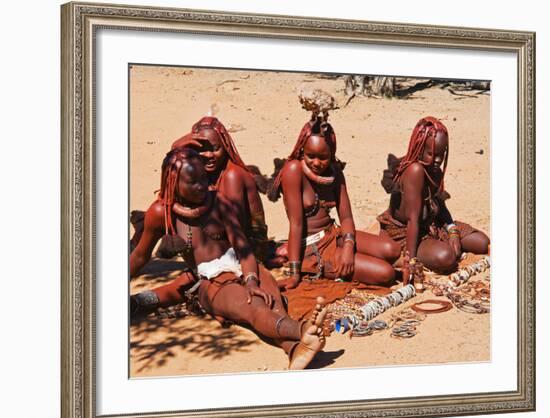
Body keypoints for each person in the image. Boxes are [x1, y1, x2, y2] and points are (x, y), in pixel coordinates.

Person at [130, 148, 327, 370]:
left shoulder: (219, 201)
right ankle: (303, 330)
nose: (202, 185)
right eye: (193, 182)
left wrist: (252, 279)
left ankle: (295, 348)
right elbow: (139, 256)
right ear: (174, 183)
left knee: (274, 303)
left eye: (204, 178)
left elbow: (242, 248)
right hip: (211, 281)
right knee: (255, 309)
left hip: (245, 264)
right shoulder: (161, 213)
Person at [267, 115, 400, 290]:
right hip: (311, 248)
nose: (316, 163)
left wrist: (348, 247)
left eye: (323, 157)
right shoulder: (293, 171)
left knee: (392, 249)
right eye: (310, 156)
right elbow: (296, 224)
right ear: (301, 151)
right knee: (386, 273)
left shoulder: (334, 172)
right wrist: (294, 274)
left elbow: (346, 218)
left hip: (333, 234)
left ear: (332, 154)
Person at [130, 115, 272, 274]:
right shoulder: (203, 171)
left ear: (225, 147)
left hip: (244, 255)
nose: (209, 155)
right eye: (202, 149)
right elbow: (173, 173)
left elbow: (235, 232)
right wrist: (176, 146)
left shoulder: (232, 176)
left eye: (215, 148)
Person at [377, 116, 490, 274]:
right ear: (420, 149)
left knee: (482, 242)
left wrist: (452, 231)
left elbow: (441, 206)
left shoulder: (434, 170)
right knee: (446, 257)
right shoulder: (414, 171)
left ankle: (437, 244)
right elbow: (412, 220)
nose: (437, 160)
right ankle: (408, 254)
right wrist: (411, 261)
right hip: (404, 233)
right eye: (432, 154)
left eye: (441, 154)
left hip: (432, 224)